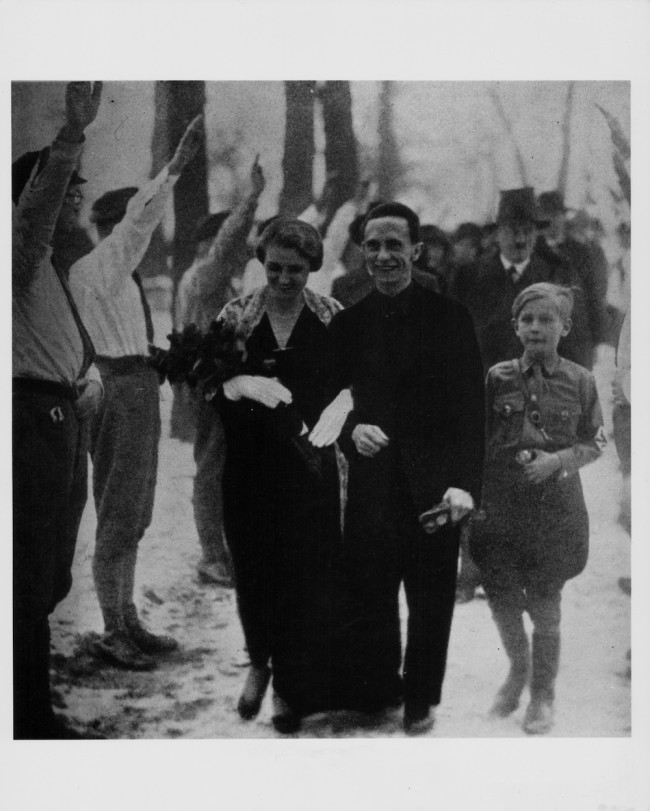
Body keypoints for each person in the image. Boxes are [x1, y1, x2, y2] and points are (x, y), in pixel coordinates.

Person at [326, 202, 485, 734]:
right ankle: (378, 687)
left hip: (435, 485)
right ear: (362, 252)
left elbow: (470, 411)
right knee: (371, 590)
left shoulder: (450, 317)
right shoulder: (349, 323)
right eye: (374, 245)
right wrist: (351, 431)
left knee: (431, 594)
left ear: (416, 251)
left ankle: (420, 696)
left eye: (395, 244)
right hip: (372, 483)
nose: (384, 255)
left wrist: (466, 484)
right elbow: (328, 401)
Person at [69, 114, 204, 670]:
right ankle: (110, 627)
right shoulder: (98, 266)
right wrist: (172, 170)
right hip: (118, 389)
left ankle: (125, 617)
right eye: (133, 230)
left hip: (136, 385)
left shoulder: (116, 276)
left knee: (135, 513)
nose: (144, 240)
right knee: (120, 514)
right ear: (111, 226)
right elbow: (137, 225)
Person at [216, 218, 344, 733]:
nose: (284, 279)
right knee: (253, 568)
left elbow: (356, 378)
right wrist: (235, 384)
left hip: (310, 463)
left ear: (312, 266)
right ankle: (258, 662)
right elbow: (207, 380)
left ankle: (290, 682)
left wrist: (345, 402)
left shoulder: (331, 315)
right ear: (261, 263)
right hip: (250, 466)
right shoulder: (237, 315)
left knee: (305, 573)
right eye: (274, 268)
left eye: (295, 269)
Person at [470, 283, 605, 734]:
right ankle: (517, 671)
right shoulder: (497, 377)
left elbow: (596, 441)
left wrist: (559, 462)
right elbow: (478, 440)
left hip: (555, 508)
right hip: (504, 504)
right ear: (515, 326)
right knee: (503, 594)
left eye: (546, 320)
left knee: (546, 599)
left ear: (565, 327)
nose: (535, 328)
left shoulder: (581, 380)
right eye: (527, 320)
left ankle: (543, 694)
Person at [13, 81, 104, 738]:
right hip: (29, 418)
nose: (71, 201)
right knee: (27, 571)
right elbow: (37, 208)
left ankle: (28, 704)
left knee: (48, 571)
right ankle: (28, 716)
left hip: (58, 417)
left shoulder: (43, 264)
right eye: (62, 190)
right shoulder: (17, 253)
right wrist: (70, 137)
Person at [175, 157, 266, 587]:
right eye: (230, 244)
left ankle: (225, 550)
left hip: (224, 383)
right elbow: (228, 243)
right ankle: (212, 556)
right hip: (211, 385)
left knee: (230, 466)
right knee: (213, 468)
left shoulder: (216, 282)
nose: (240, 251)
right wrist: (250, 201)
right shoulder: (203, 277)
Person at [460, 187, 592, 376]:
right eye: (513, 231)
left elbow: (577, 341)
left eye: (528, 231)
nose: (521, 239)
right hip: (484, 388)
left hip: (543, 389)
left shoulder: (557, 275)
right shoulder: (469, 277)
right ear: (497, 234)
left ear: (537, 233)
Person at [536, 190, 609, 367]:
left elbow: (594, 295)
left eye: (555, 215)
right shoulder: (532, 252)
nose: (551, 221)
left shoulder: (581, 252)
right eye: (546, 216)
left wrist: (597, 340)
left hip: (577, 340)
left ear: (563, 217)